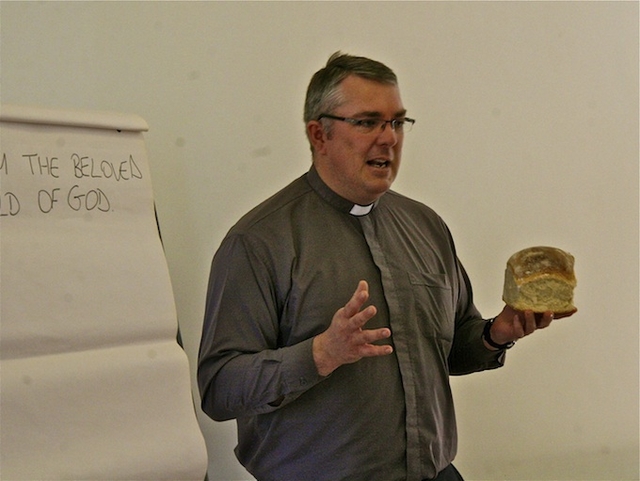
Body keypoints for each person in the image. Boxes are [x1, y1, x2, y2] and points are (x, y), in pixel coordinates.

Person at [197, 52, 569, 481]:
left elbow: (447, 350)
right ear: (319, 134)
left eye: (397, 122)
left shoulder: (427, 226)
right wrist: (319, 354)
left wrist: (495, 334)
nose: (388, 138)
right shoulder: (259, 242)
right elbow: (219, 389)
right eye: (368, 122)